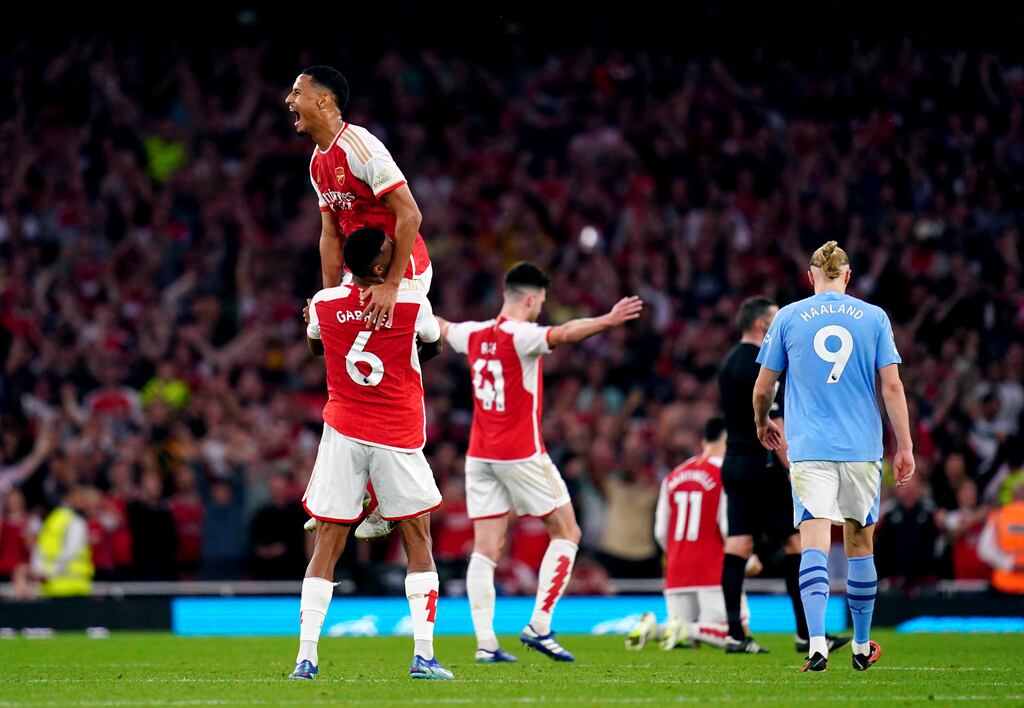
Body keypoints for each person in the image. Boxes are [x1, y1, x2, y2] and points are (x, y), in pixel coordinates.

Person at [437, 261, 643, 663]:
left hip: (480, 455)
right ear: (529, 299)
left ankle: (485, 644)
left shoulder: (473, 333)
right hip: (520, 453)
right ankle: (540, 626)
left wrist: (402, 298)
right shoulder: (523, 335)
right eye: (541, 302)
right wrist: (608, 319)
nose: (540, 309)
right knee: (567, 531)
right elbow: (565, 334)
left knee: (486, 548)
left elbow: (441, 326)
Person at [289, 227, 452, 681]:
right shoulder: (412, 303)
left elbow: (315, 345)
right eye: (389, 250)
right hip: (396, 433)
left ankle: (306, 657)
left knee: (327, 543)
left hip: (342, 432)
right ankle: (423, 656)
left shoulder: (322, 303)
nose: (397, 250)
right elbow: (433, 344)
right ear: (380, 268)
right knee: (418, 540)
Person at [753, 241, 915, 672]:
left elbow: (763, 387)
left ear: (811, 277)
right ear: (847, 276)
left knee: (814, 544)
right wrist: (905, 445)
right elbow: (893, 387)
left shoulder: (787, 316)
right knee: (861, 545)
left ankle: (818, 644)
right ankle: (861, 646)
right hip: (862, 449)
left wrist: (761, 421)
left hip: (809, 452)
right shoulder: (874, 317)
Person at [286, 65, 431, 540]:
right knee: (347, 378)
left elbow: (409, 213)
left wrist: (390, 284)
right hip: (360, 275)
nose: (290, 101)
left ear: (324, 101)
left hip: (400, 271)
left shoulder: (362, 147)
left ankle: (387, 500)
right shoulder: (316, 163)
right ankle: (357, 494)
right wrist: (327, 297)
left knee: (385, 382)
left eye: (297, 92)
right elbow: (330, 235)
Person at [718, 297, 845, 654]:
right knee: (794, 543)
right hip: (766, 465)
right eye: (775, 321)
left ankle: (734, 634)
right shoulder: (763, 364)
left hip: (735, 462)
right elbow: (777, 426)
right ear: (762, 325)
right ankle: (807, 634)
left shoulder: (728, 363)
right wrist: (795, 467)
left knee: (738, 545)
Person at [647, 417, 753, 650]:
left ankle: (658, 628)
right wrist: (748, 560)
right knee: (735, 630)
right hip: (713, 569)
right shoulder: (726, 473)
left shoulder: (673, 476)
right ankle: (678, 628)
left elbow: (660, 532)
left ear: (704, 440)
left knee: (685, 642)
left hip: (676, 570)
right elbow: (728, 528)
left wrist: (678, 553)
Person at [977, 478, 1024, 594]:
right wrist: (1011, 563)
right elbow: (984, 549)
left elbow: (984, 549)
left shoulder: (998, 516)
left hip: (1004, 583)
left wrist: (1009, 563)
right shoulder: (998, 516)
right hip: (1004, 583)